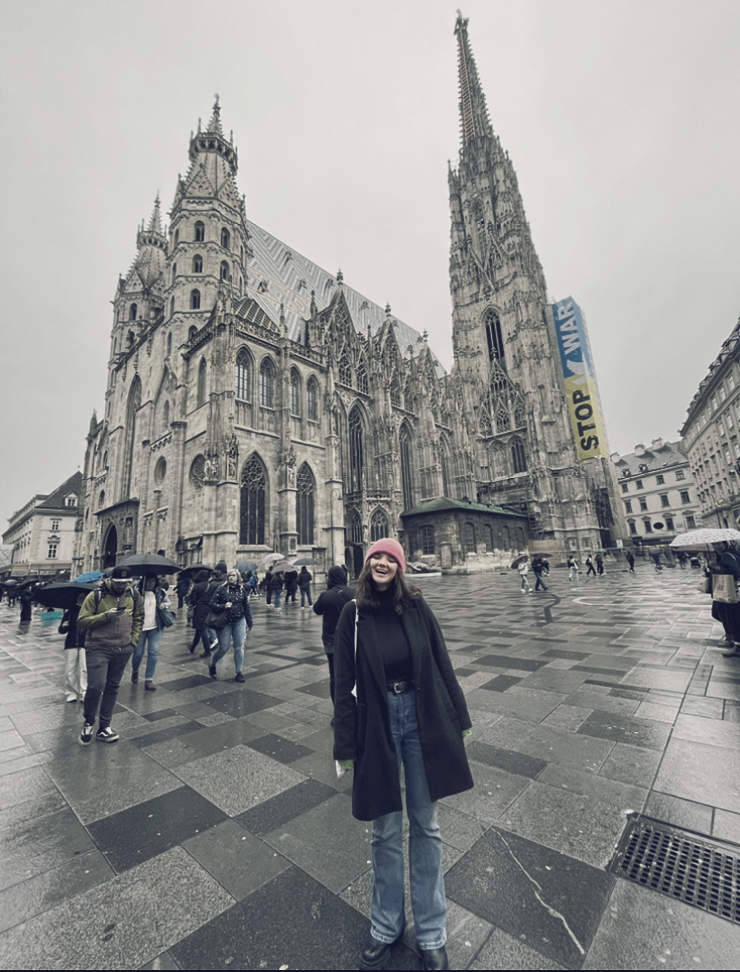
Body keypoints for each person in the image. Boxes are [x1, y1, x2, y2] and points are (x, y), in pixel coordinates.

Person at [333, 538, 472, 972]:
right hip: (376, 721)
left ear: (399, 566)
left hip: (420, 716)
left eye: (389, 558)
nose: (381, 562)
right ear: (365, 564)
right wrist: (344, 743)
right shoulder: (351, 615)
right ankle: (385, 926)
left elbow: (441, 660)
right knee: (385, 830)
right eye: (375, 556)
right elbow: (341, 682)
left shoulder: (416, 606)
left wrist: (458, 718)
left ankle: (431, 933)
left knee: (425, 826)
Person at [77, 566, 144, 744]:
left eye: (126, 583)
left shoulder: (134, 596)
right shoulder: (95, 596)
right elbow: (82, 621)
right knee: (95, 686)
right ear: (110, 580)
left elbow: (139, 617)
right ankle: (89, 721)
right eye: (118, 583)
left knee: (113, 687)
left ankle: (104, 727)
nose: (122, 586)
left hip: (123, 649)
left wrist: (133, 641)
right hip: (98, 648)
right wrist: (105, 616)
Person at [313, 565, 354, 704]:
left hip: (331, 642)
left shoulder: (326, 595)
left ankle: (338, 709)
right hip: (351, 640)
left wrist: (327, 591)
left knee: (335, 676)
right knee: (352, 673)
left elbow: (317, 610)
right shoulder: (353, 593)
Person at [208, 568, 253, 682]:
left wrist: (249, 621)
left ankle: (239, 672)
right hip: (225, 622)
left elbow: (246, 607)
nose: (231, 577)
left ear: (238, 577)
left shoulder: (242, 590)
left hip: (239, 620)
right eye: (229, 576)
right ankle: (212, 663)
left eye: (233, 575)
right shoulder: (221, 589)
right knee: (224, 648)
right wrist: (224, 606)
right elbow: (212, 603)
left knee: (239, 646)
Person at [131, 575, 170, 690]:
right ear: (144, 581)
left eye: (153, 581)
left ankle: (149, 679)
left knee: (153, 652)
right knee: (138, 653)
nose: (150, 584)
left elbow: (168, 603)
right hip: (140, 628)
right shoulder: (137, 592)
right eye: (148, 581)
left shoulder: (160, 592)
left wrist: (164, 605)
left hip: (155, 627)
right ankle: (135, 670)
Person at [712, 542, 740, 658]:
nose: (716, 547)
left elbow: (736, 572)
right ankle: (731, 637)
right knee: (720, 614)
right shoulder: (725, 555)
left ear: (725, 544)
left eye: (718, 544)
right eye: (714, 545)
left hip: (730, 591)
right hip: (725, 591)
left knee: (732, 617)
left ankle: (736, 645)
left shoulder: (727, 556)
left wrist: (716, 567)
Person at [59, 594, 87, 703]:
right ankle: (71, 692)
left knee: (84, 669)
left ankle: (84, 692)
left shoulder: (89, 611)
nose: (81, 597)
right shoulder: (69, 612)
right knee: (69, 670)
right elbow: (61, 630)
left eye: (83, 596)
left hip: (84, 643)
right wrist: (64, 626)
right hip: (71, 643)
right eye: (79, 596)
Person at [188, 570, 217, 655]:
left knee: (202, 629)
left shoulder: (197, 586)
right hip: (209, 609)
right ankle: (193, 647)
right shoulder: (212, 586)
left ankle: (207, 651)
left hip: (199, 610)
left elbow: (192, 600)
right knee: (199, 630)